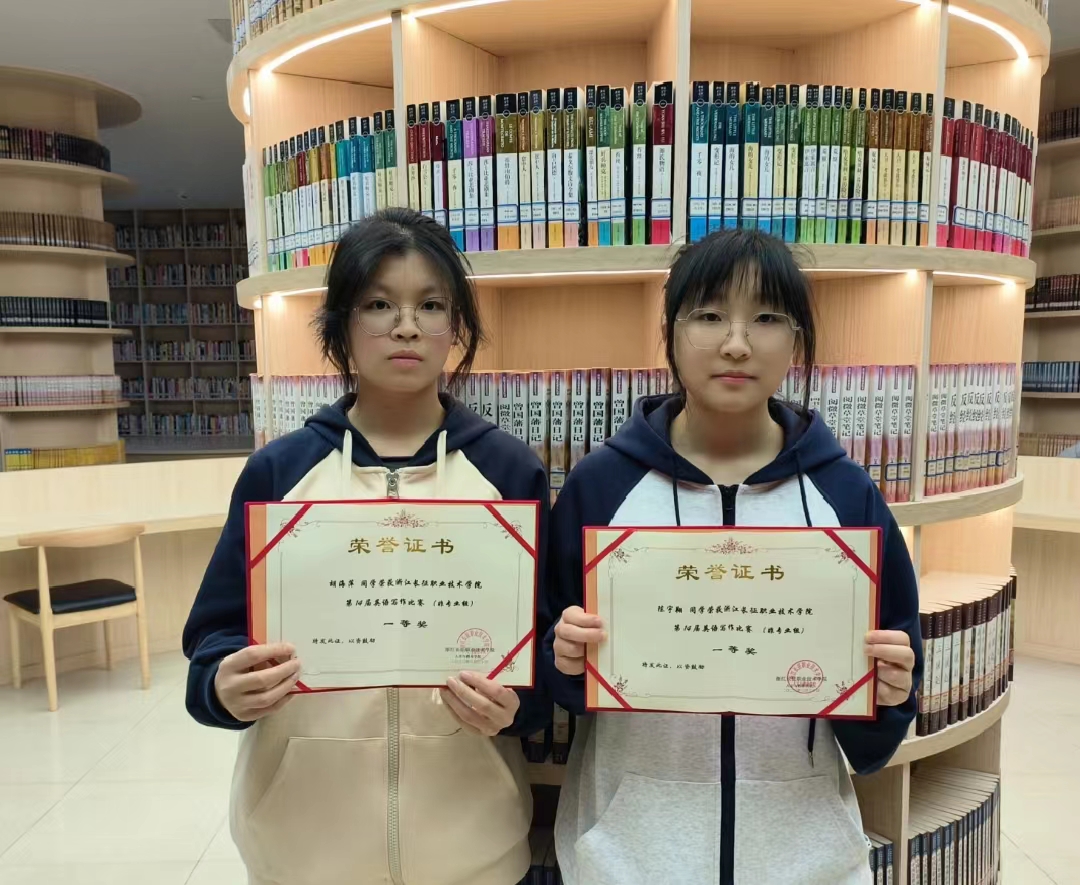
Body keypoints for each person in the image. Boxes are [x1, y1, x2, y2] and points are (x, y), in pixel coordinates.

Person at [542, 229, 922, 885]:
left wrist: (888, 696)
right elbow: (556, 672)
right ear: (671, 331)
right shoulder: (601, 486)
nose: (737, 343)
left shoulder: (844, 493)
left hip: (804, 862)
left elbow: (877, 724)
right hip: (632, 859)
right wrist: (567, 658)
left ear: (797, 339)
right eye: (710, 315)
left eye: (767, 318)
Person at [183, 208, 550, 885]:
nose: (406, 326)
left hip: (472, 849)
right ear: (341, 326)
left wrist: (518, 705)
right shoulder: (278, 472)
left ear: (456, 327)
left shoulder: (509, 472)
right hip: (303, 851)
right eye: (379, 304)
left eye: (430, 305)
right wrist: (222, 685)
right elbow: (215, 635)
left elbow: (540, 650)